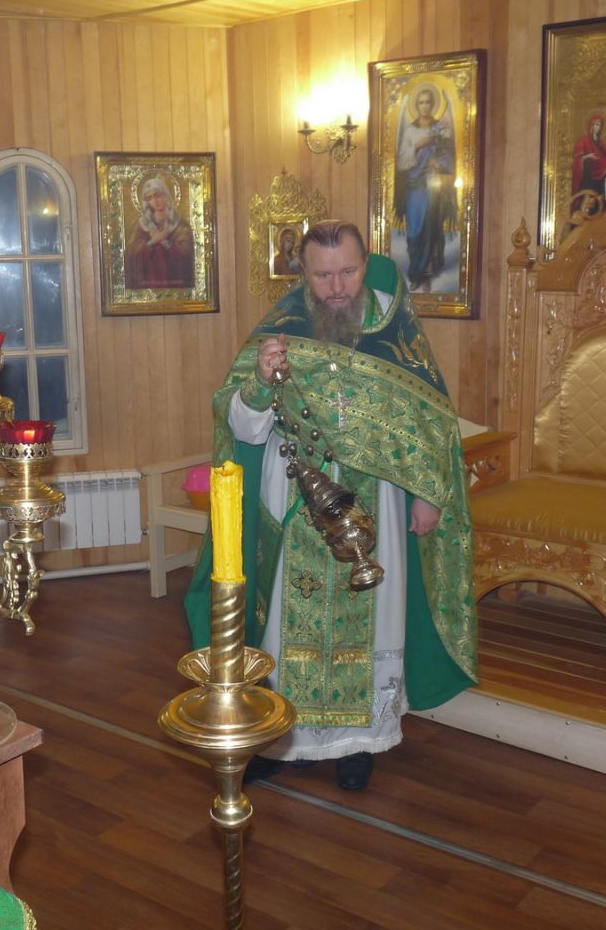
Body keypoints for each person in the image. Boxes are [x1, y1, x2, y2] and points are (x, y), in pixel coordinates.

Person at [184, 220, 477, 792]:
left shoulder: (396, 331)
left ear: (365, 265)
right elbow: (240, 424)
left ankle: (359, 743)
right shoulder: (281, 329)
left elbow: (428, 424)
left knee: (374, 621)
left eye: (347, 271)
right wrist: (260, 382)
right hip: (294, 505)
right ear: (304, 274)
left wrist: (427, 495)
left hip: (378, 502)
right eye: (323, 276)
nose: (337, 287)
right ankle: (283, 740)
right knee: (286, 626)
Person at [394, 84, 457, 290]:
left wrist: (438, 164)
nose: (424, 106)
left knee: (430, 227)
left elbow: (448, 158)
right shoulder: (410, 131)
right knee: (414, 230)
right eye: (421, 102)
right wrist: (418, 145)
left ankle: (425, 272)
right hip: (415, 187)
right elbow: (401, 162)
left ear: (432, 105)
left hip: (432, 187)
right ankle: (415, 271)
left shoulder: (441, 131)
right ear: (416, 105)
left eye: (428, 102)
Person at [123, 175, 195, 289]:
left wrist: (165, 243)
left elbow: (187, 253)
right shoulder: (142, 224)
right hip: (147, 286)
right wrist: (152, 242)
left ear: (165, 195)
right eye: (149, 198)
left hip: (175, 285)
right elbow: (131, 252)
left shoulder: (180, 224)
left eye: (157, 195)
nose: (155, 201)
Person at [571, 115, 606, 199]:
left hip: (599, 170)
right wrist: (588, 156)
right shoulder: (583, 141)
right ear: (592, 125)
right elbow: (578, 159)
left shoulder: (599, 141)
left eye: (600, 125)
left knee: (605, 160)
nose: (599, 127)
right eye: (597, 124)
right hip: (589, 172)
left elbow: (605, 152)